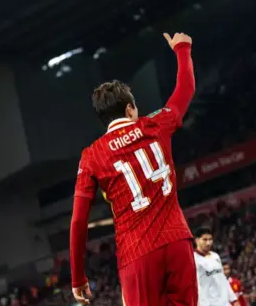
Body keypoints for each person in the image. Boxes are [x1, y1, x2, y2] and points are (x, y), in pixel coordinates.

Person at [69, 32, 197, 306]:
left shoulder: (91, 156)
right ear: (129, 109)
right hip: (178, 241)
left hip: (137, 254)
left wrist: (78, 277)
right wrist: (183, 49)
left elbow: (79, 221)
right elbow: (185, 90)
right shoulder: (155, 125)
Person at [194, 227, 239, 306]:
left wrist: (234, 299)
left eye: (210, 239)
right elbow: (196, 287)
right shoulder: (193, 259)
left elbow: (223, 280)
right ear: (197, 240)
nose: (208, 243)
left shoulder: (215, 256)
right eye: (204, 240)